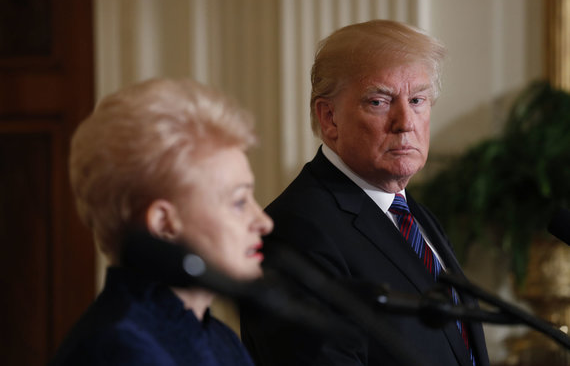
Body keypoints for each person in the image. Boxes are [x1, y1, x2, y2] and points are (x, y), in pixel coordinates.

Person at [240, 20, 490, 366]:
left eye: (417, 99)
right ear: (329, 118)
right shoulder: (297, 230)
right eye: (378, 101)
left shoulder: (412, 214)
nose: (406, 121)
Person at [51, 78, 273, 365]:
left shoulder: (219, 337)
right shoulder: (122, 347)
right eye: (239, 202)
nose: (264, 222)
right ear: (163, 223)